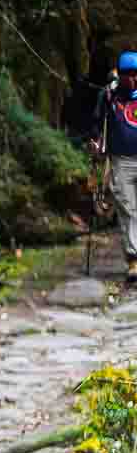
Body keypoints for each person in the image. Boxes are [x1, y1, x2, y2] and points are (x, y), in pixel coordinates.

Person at [92, 51, 137, 281]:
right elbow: (98, 123)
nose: (134, 79)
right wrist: (97, 142)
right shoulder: (109, 95)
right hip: (121, 159)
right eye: (130, 74)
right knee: (127, 207)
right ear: (122, 75)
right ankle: (134, 259)